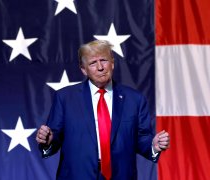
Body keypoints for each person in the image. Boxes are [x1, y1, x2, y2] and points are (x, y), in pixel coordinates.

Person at [36, 40, 170, 180]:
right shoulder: (65, 98)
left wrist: (153, 146)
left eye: (104, 60)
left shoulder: (134, 99)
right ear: (83, 69)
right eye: (93, 63)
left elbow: (142, 138)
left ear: (112, 63)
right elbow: (55, 136)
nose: (100, 67)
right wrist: (48, 141)